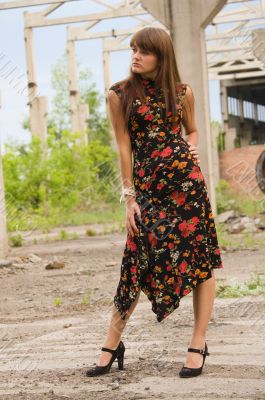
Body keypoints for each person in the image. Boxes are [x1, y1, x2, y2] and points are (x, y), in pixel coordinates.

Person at [86, 26, 224, 378]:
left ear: (161, 57)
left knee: (199, 259)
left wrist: (191, 144)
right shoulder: (119, 94)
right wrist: (129, 196)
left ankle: (198, 341)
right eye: (133, 49)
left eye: (144, 51)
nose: (135, 55)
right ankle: (113, 340)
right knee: (136, 259)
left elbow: (191, 129)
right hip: (147, 191)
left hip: (187, 186)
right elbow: (123, 147)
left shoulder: (182, 92)